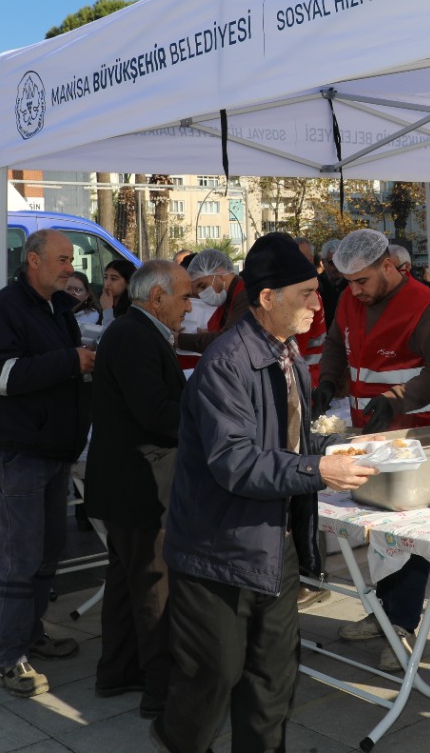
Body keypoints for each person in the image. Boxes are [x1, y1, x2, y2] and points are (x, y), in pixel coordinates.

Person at [155, 233, 377, 753]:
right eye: (306, 293)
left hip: (273, 547)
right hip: (217, 551)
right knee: (212, 678)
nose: (317, 304)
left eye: (317, 292)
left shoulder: (288, 353)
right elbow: (235, 461)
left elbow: (289, 440)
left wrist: (339, 449)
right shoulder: (227, 363)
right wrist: (317, 469)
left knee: (272, 681)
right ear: (267, 298)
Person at [317, 229, 430, 670]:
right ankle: (384, 612)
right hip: (368, 430)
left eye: (361, 281)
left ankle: (402, 622)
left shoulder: (426, 305)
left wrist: (397, 398)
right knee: (378, 527)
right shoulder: (349, 299)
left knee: (407, 530)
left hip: (414, 432)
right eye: (348, 283)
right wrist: (325, 383)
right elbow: (337, 346)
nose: (354, 291)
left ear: (388, 267)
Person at [0, 229, 95, 698]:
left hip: (54, 451)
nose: (70, 267)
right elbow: (3, 378)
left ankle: (31, 632)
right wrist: (72, 361)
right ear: (34, 261)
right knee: (20, 557)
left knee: (47, 553)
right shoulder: (2, 312)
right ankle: (8, 657)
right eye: (62, 259)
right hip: (19, 452)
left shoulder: (56, 308)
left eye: (71, 259)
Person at [90, 260, 191, 719]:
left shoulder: (136, 331)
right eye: (185, 297)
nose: (190, 306)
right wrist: (208, 416)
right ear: (157, 298)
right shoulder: (134, 335)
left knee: (125, 579)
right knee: (153, 582)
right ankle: (159, 687)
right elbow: (154, 411)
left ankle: (117, 669)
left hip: (127, 478)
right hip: (138, 481)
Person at [100, 258, 134, 327]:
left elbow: (113, 334)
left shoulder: (131, 310)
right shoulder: (103, 303)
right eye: (106, 278)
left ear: (128, 283)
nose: (107, 283)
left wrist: (107, 310)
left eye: (114, 279)